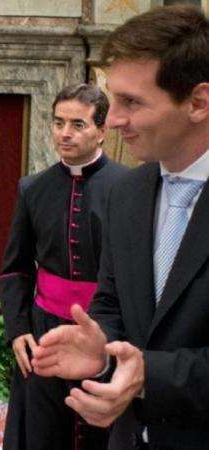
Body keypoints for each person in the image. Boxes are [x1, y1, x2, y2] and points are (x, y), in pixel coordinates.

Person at [31, 5, 209, 449]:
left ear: (198, 102)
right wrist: (101, 348)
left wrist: (151, 373)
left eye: (132, 102)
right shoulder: (126, 193)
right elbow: (112, 303)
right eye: (114, 100)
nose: (112, 122)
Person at [0, 83, 127, 450]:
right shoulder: (33, 188)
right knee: (42, 431)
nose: (65, 133)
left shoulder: (128, 188)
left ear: (102, 130)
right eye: (58, 123)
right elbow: (15, 268)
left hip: (107, 330)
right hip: (45, 332)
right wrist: (18, 328)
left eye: (78, 124)